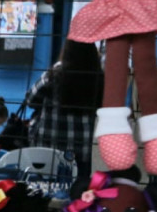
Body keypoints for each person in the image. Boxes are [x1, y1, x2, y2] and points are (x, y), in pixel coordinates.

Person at [26, 40, 104, 181]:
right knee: (79, 186)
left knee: (42, 184)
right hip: (83, 149)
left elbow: (31, 100)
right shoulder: (98, 76)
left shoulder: (54, 74)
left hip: (48, 145)